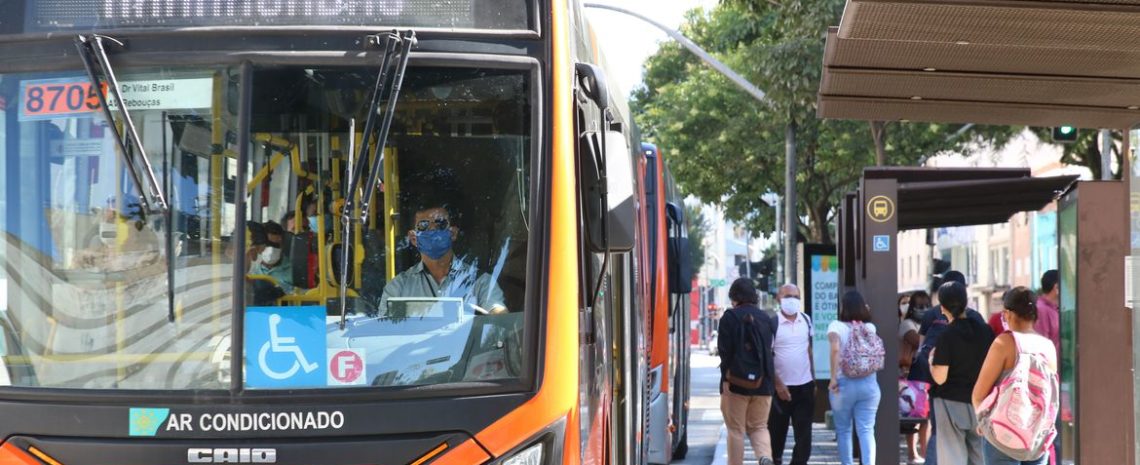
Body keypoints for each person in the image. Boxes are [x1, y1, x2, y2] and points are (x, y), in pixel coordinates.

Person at [972, 286, 1058, 465]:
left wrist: (983, 423)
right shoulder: (1047, 346)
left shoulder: (1004, 343)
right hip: (1036, 438)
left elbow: (978, 394)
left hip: (1002, 437)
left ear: (1007, 314)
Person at [377, 202, 507, 316]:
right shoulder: (398, 287)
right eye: (423, 225)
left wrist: (497, 315)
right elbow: (382, 329)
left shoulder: (480, 282)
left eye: (440, 224)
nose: (433, 230)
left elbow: (498, 313)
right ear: (413, 238)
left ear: (453, 233)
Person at [916, 270, 984, 465]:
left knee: (945, 443)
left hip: (946, 395)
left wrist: (931, 361)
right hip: (976, 395)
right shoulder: (980, 323)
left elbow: (925, 353)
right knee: (977, 449)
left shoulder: (936, 321)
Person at [929, 281, 994, 465]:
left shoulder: (946, 335)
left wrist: (931, 361)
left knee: (952, 458)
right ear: (966, 302)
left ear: (942, 307)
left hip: (950, 403)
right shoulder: (986, 331)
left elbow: (940, 378)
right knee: (980, 457)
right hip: (981, 402)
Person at [717, 278, 777, 465]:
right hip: (763, 383)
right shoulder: (766, 318)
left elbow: (725, 353)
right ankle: (764, 457)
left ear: (733, 297)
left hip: (735, 383)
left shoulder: (729, 317)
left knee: (736, 430)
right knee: (759, 426)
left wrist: (725, 381)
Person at [828, 290, 881, 465]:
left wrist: (833, 378)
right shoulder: (870, 327)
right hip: (869, 385)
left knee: (843, 430)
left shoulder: (836, 326)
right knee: (866, 430)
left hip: (843, 385)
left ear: (843, 307)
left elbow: (835, 349)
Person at [768, 284, 814, 465]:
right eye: (788, 296)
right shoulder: (773, 324)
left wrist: (813, 379)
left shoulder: (806, 320)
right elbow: (767, 357)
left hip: (804, 386)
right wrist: (778, 384)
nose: (792, 300)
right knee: (776, 434)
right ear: (779, 298)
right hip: (780, 389)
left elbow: (808, 350)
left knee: (804, 436)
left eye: (796, 296)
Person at [901, 290, 930, 464]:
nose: (924, 309)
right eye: (920, 306)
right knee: (912, 417)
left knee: (925, 417)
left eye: (926, 306)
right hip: (910, 375)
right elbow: (920, 342)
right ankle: (913, 453)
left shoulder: (928, 324)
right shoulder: (907, 324)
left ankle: (924, 453)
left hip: (925, 375)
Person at [248, 221, 295, 293]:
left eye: (276, 245)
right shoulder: (251, 269)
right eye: (267, 244)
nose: (271, 250)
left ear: (283, 244)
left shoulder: (294, 270)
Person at [1035, 270, 1060, 358]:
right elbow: (1042, 344)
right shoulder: (1041, 310)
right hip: (1048, 364)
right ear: (1056, 287)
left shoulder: (1056, 308)